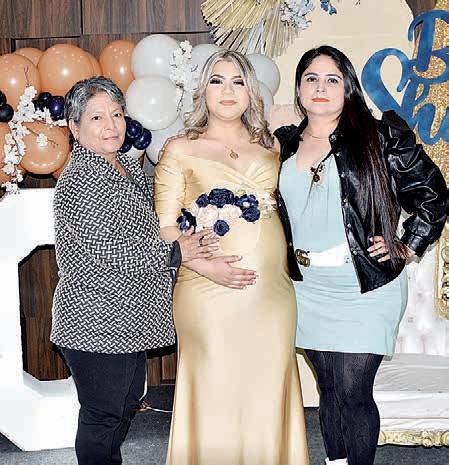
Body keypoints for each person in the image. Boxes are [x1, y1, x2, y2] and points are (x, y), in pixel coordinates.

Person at [274, 45, 447, 465]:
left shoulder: (381, 136)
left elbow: (433, 195)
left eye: (332, 79)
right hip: (305, 287)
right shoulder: (283, 143)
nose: (321, 87)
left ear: (348, 87)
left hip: (366, 285)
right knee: (330, 389)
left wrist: (407, 245)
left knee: (353, 391)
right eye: (311, 78)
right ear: (299, 89)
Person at [154, 50, 310, 465]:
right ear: (203, 91)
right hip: (206, 292)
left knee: (267, 385)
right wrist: (205, 266)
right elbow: (165, 227)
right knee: (216, 386)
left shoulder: (271, 145)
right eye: (217, 81)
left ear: (250, 91)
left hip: (272, 295)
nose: (228, 91)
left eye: (238, 81)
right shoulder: (180, 148)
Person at [50, 76, 216, 465]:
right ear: (74, 127)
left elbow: (141, 229)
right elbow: (108, 251)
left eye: (117, 114)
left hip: (125, 318)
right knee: (103, 416)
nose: (111, 125)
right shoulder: (82, 179)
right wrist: (175, 252)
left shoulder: (124, 165)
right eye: (97, 117)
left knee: (123, 407)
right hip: (96, 320)